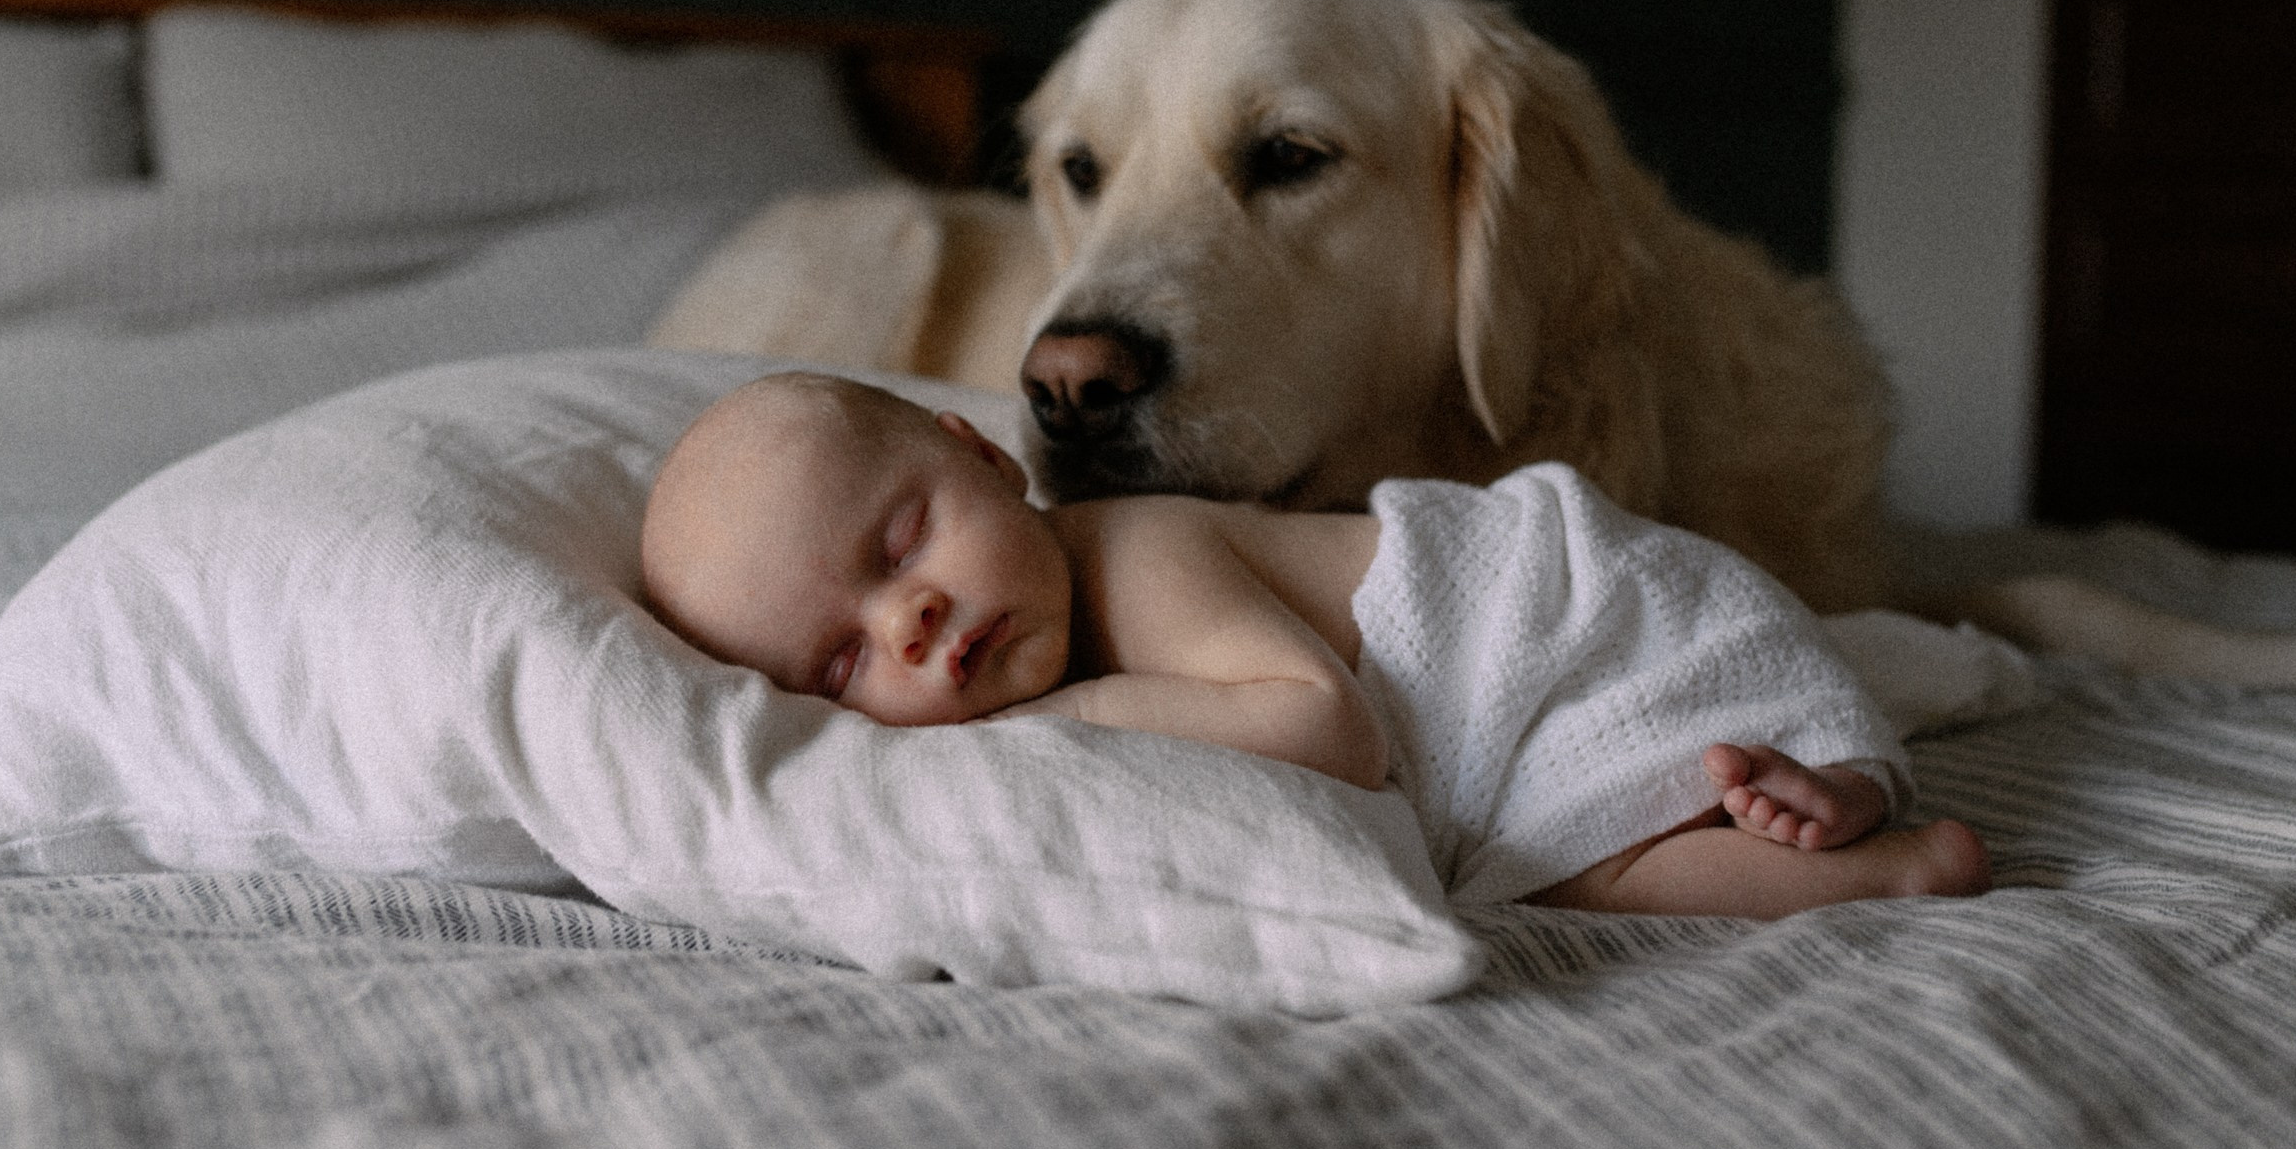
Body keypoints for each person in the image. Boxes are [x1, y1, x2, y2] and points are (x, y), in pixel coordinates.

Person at [640, 371, 1993, 920]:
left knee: (1575, 871)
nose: (911, 621)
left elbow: (1325, 733)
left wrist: (1071, 716)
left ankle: (1886, 856)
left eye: (900, 546)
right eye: (842, 665)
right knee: (1632, 833)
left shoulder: (1134, 553)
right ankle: (1835, 795)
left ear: (986, 454)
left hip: (1579, 621)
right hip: (1583, 673)